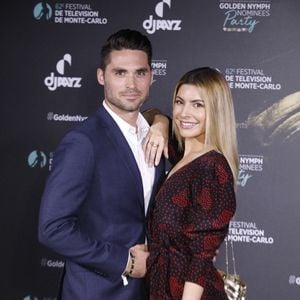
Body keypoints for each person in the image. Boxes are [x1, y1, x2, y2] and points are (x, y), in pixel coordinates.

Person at [38, 29, 168, 300]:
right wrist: (125, 262)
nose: (131, 84)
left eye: (140, 73)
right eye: (120, 73)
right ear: (102, 76)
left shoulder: (155, 135)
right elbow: (52, 229)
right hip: (96, 292)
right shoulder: (83, 143)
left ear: (152, 76)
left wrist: (162, 122)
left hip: (146, 292)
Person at [145, 67, 239, 299]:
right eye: (179, 102)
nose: (184, 113)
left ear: (216, 111)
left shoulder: (212, 167)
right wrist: (160, 123)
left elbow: (201, 258)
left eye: (198, 105)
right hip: (161, 288)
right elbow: (148, 114)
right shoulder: (181, 154)